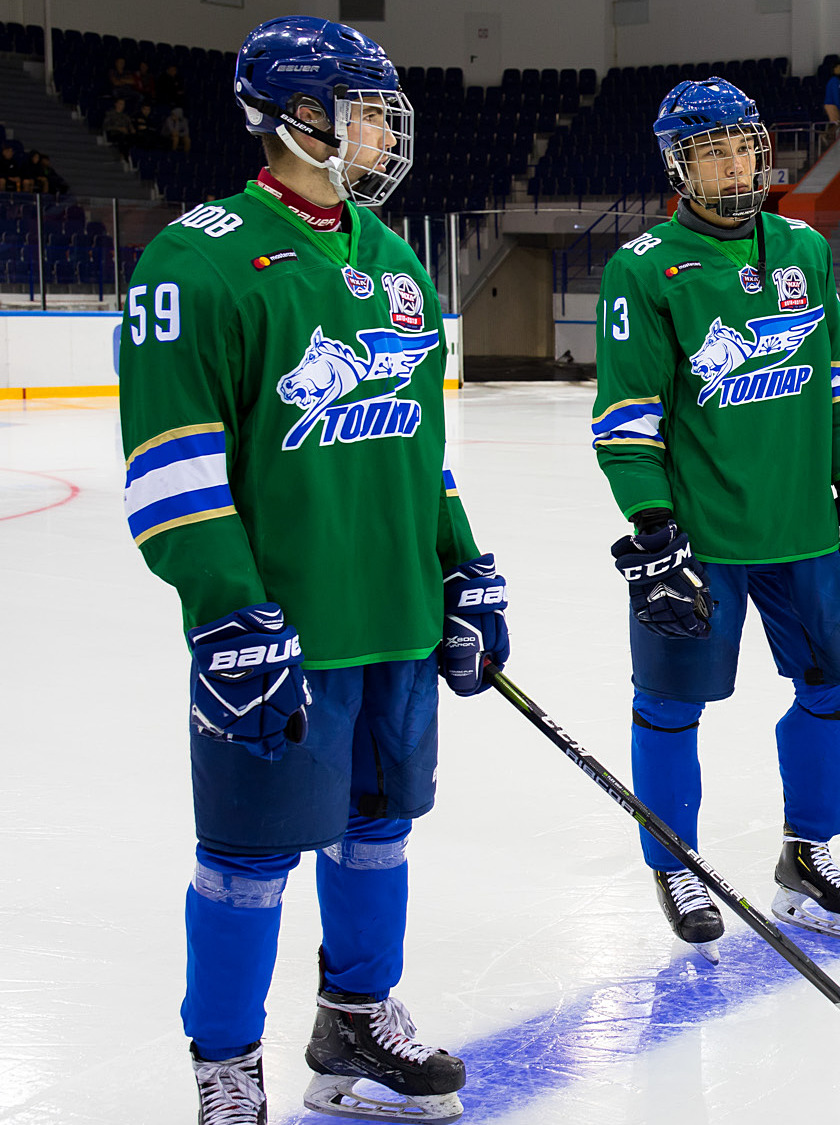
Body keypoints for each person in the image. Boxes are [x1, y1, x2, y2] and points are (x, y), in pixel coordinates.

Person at [122, 16, 490, 1121]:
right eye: (367, 109)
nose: (383, 132)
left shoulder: (392, 260)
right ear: (300, 116)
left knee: (380, 831)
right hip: (278, 627)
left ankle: (353, 1022)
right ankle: (226, 1065)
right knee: (245, 856)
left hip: (392, 617)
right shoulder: (201, 257)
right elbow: (170, 473)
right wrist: (230, 613)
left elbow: (414, 448)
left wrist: (463, 568)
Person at [590, 79, 840, 954]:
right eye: (711, 149)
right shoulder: (644, 267)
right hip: (702, 539)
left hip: (802, 531)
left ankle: (810, 849)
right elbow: (626, 420)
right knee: (672, 702)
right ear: (679, 164)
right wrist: (653, 529)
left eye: (743, 145)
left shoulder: (802, 246)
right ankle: (673, 857)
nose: (734, 162)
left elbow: (836, 382)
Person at [822, 61, 840, 143]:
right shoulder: (834, 80)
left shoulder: (834, 80)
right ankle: (825, 135)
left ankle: (831, 137)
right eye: (839, 67)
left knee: (838, 122)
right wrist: (839, 107)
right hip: (831, 104)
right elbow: (835, 95)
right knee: (837, 122)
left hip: (831, 104)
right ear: (834, 69)